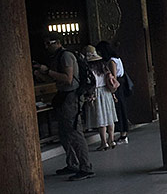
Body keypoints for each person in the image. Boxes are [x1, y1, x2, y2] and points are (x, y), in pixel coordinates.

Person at [33, 32, 94, 181]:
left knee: (74, 132)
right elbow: (55, 78)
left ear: (58, 42)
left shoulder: (66, 56)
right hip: (62, 96)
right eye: (45, 44)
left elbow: (68, 79)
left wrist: (47, 71)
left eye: (49, 43)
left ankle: (85, 167)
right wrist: (40, 73)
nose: (47, 46)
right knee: (63, 133)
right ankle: (72, 162)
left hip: (71, 96)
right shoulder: (56, 58)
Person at [83, 45, 118, 151]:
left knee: (101, 119)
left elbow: (88, 83)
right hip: (107, 92)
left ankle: (103, 142)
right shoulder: (104, 66)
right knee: (109, 117)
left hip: (96, 93)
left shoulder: (88, 69)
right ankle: (111, 139)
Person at [96, 41, 129, 144]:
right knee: (121, 108)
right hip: (121, 83)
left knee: (119, 109)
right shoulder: (117, 59)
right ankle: (123, 133)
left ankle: (123, 134)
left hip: (117, 86)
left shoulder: (111, 61)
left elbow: (113, 77)